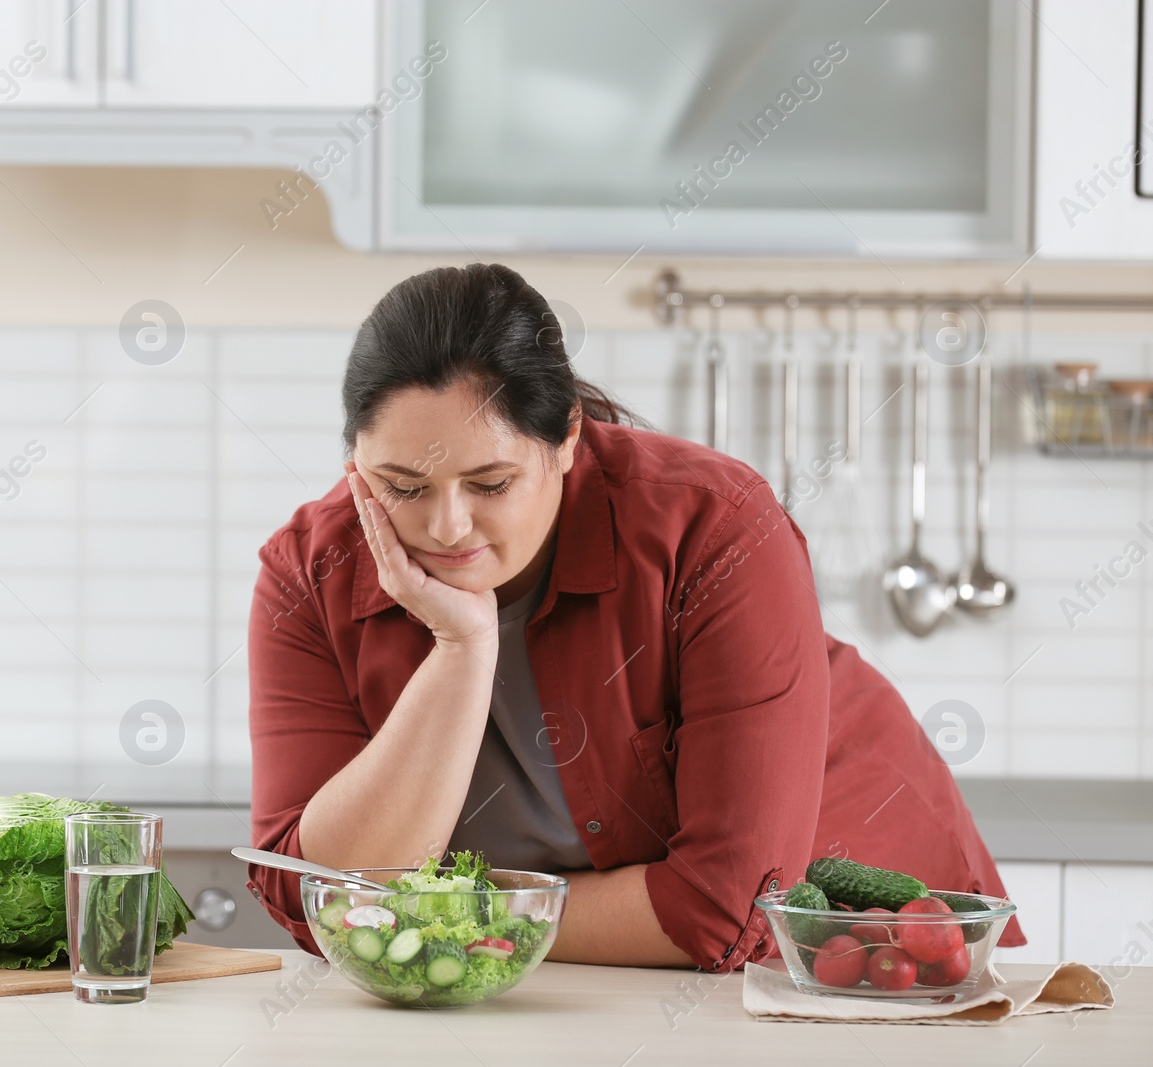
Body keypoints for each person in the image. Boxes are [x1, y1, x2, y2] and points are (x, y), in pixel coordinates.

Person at [245, 262, 1024, 971]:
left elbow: (728, 908)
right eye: (403, 486)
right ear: (355, 464)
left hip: (851, 940)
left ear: (567, 442)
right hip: (557, 970)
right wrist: (461, 644)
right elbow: (319, 897)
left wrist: (454, 919)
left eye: (490, 483)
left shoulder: (715, 525)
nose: (447, 526)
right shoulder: (308, 574)